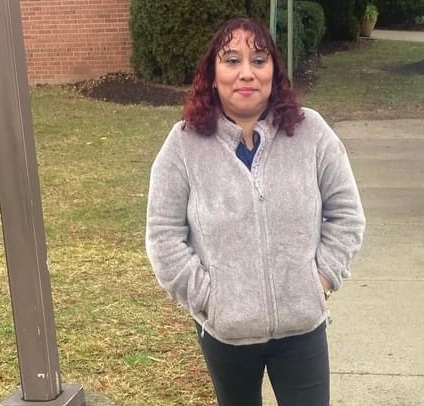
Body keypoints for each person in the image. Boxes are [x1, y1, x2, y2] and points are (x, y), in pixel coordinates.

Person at [145, 17, 365, 406]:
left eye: (259, 60)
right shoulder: (183, 145)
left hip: (302, 330)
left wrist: (321, 280)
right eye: (232, 60)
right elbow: (163, 235)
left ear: (273, 72)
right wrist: (209, 300)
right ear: (213, 75)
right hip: (227, 333)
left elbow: (347, 215)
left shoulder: (311, 132)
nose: (246, 72)